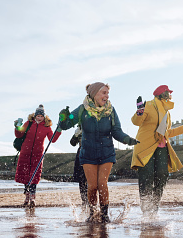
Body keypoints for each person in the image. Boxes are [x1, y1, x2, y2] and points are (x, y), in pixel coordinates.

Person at [59, 82, 139, 222]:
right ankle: (92, 213)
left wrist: (127, 139)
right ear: (94, 94)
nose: (107, 96)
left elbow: (116, 131)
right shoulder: (82, 110)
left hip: (106, 151)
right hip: (88, 153)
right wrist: (64, 117)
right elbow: (66, 124)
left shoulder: (110, 111)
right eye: (104, 93)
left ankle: (104, 215)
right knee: (92, 186)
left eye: (107, 93)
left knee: (102, 184)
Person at [131, 85, 183, 215]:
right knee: (146, 176)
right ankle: (146, 207)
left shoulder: (167, 112)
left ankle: (154, 204)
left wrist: (182, 128)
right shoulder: (149, 105)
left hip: (161, 147)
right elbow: (136, 122)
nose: (169, 95)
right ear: (162, 94)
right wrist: (139, 111)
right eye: (168, 92)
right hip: (146, 146)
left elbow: (166, 132)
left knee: (162, 174)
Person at [14, 104, 61, 208]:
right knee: (26, 176)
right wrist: (17, 126)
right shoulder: (29, 123)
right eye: (38, 116)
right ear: (35, 116)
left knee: (34, 176)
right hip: (25, 153)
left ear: (44, 117)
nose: (39, 118)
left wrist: (59, 130)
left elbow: (52, 139)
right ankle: (27, 197)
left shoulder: (46, 127)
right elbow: (19, 135)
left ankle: (33, 198)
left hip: (38, 155)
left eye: (41, 116)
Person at [70, 125, 88, 208]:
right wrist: (76, 135)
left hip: (92, 151)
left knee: (90, 178)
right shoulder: (79, 128)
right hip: (81, 153)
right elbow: (72, 143)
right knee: (81, 179)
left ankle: (91, 200)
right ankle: (84, 201)